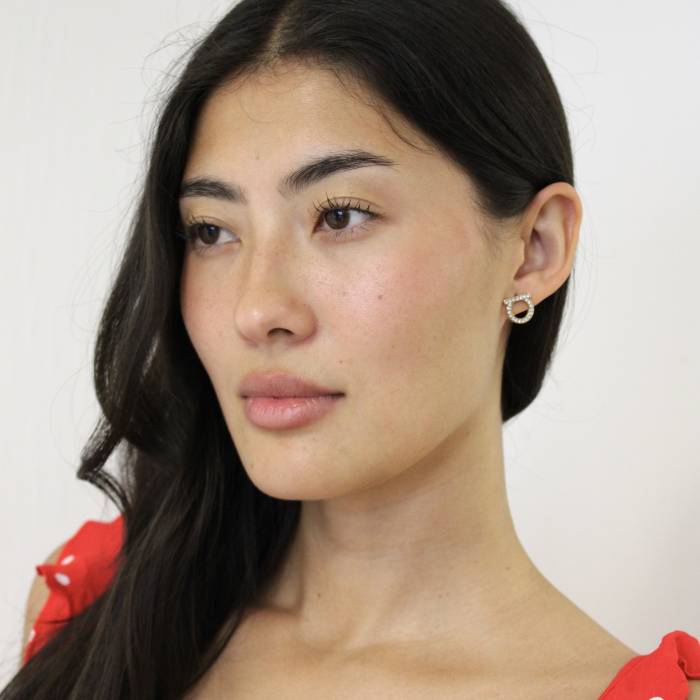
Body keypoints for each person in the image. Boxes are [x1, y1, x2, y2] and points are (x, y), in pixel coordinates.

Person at [4, 0, 699, 698]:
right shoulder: (96, 616)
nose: (257, 310)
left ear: (535, 249)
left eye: (340, 216)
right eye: (212, 231)